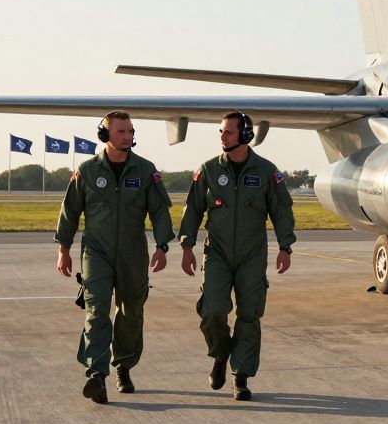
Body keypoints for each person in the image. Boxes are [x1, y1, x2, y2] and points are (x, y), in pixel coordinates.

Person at [55, 110, 174, 404]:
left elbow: (159, 211)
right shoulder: (87, 171)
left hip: (133, 253)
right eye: (121, 132)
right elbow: (69, 212)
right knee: (96, 311)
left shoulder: (146, 171)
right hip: (96, 251)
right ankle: (97, 375)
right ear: (105, 135)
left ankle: (123, 366)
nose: (128, 137)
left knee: (130, 313)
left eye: (130, 131)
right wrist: (63, 249)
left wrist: (162, 246)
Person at [179, 111, 296, 401]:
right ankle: (220, 354)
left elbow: (281, 211)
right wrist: (186, 246)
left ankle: (240, 376)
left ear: (245, 135)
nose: (222, 137)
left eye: (228, 132)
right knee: (213, 310)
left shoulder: (267, 172)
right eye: (220, 131)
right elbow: (193, 210)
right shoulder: (207, 170)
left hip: (252, 255)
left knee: (249, 315)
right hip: (216, 253)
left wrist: (285, 246)